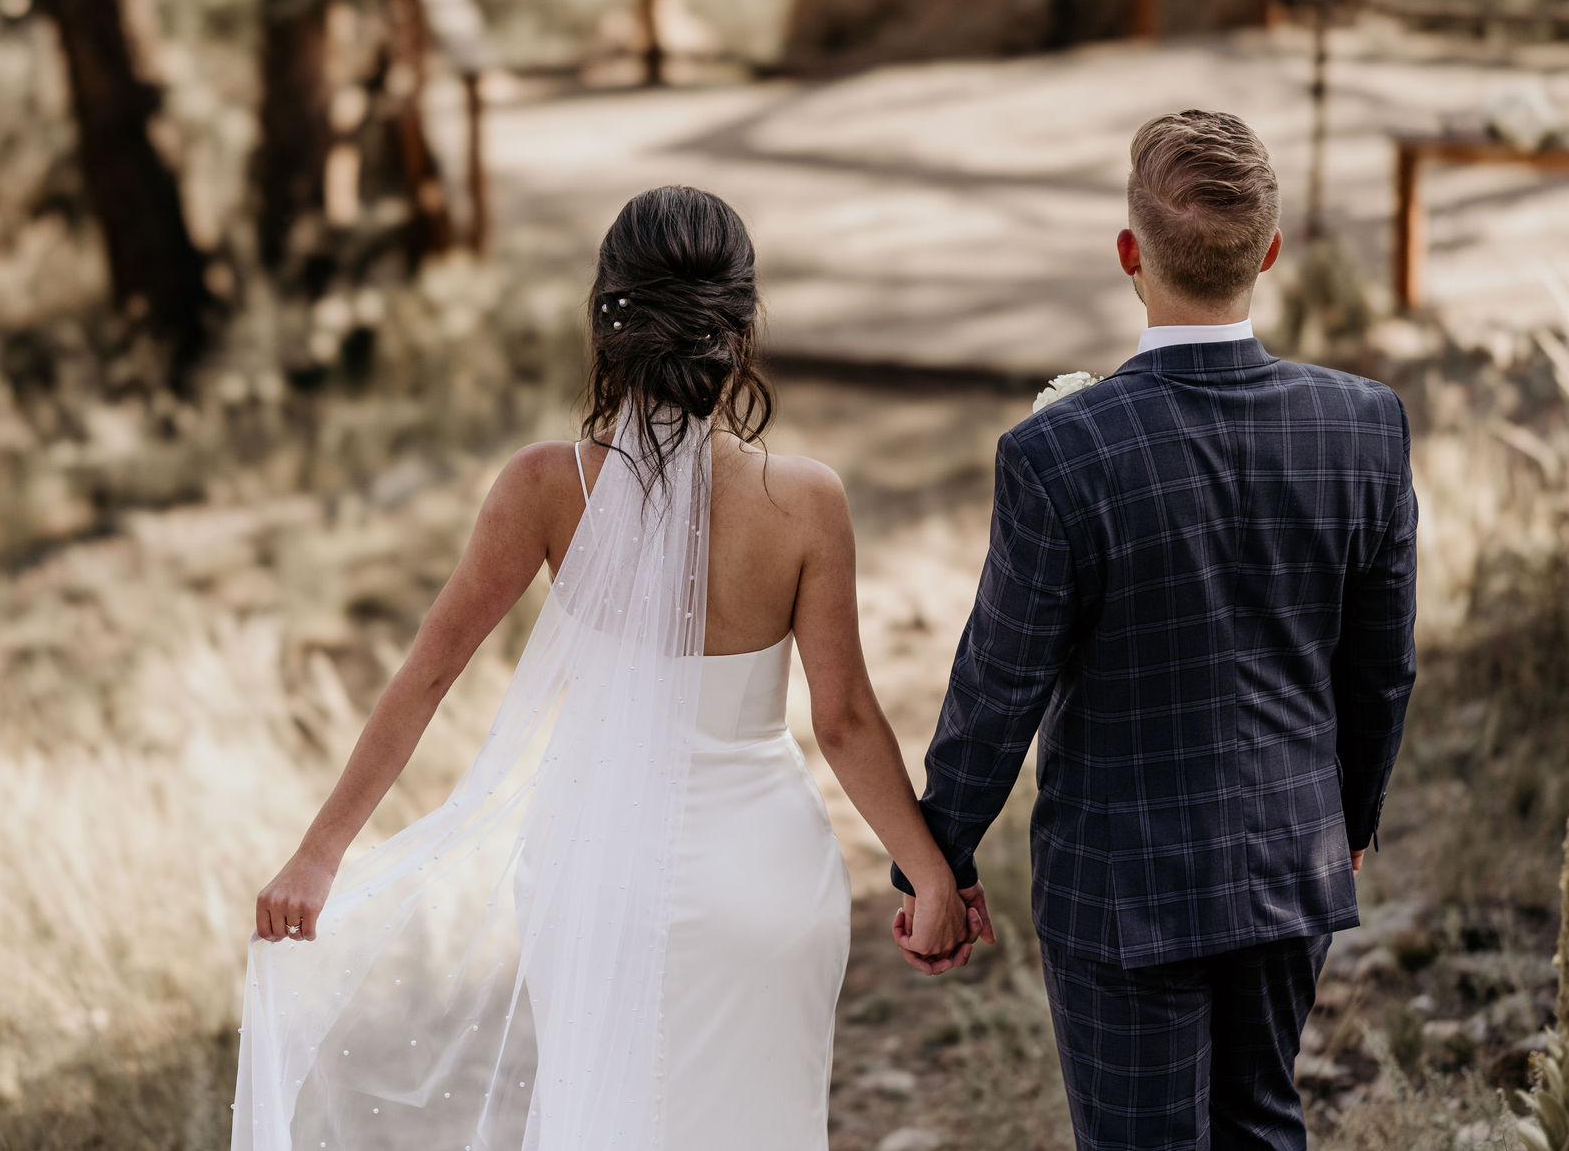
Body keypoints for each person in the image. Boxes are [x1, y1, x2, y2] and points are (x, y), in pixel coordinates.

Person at [233, 184, 975, 1151]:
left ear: (607, 321)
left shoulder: (546, 488)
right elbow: (844, 721)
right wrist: (932, 880)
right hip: (765, 884)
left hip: (600, 882)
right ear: (741, 329)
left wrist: (321, 852)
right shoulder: (807, 502)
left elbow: (429, 672)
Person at [892, 110, 1418, 1150]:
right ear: (1268, 253)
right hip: (1287, 859)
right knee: (1261, 1127)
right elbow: (1379, 671)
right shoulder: (1362, 423)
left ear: (1128, 253)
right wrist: (1346, 821)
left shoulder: (1058, 454)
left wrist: (936, 864)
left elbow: (998, 686)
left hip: (1120, 884)